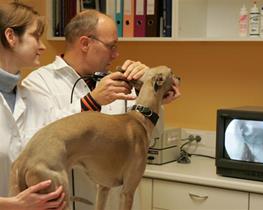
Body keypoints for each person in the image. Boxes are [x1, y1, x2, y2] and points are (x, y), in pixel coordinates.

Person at [21, 9, 180, 210]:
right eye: (111, 46)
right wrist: (91, 101)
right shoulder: (38, 83)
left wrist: (155, 96)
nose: (116, 54)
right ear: (85, 44)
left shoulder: (119, 82)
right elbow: (34, 144)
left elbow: (152, 136)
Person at [0, 2, 66, 210]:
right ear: (11, 37)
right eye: (35, 36)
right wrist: (12, 205)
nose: (43, 46)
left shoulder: (36, 100)